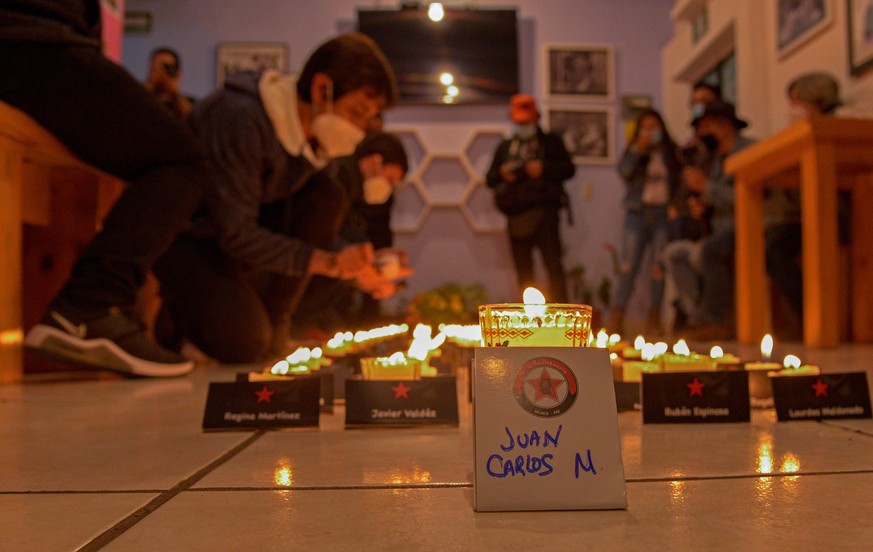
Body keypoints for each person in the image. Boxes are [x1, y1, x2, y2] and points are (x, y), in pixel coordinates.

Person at [152, 33, 404, 363]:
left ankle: (275, 322)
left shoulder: (314, 143)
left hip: (244, 249)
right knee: (244, 342)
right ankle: (179, 320)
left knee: (328, 196)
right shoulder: (241, 118)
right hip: (193, 241)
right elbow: (235, 231)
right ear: (321, 90)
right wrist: (328, 262)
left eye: (367, 118)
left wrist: (356, 264)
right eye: (356, 112)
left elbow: (317, 224)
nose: (359, 129)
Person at [2, 0, 207, 377]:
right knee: (182, 160)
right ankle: (89, 307)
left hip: (34, 36)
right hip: (28, 39)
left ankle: (100, 310)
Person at [292, 131, 411, 336]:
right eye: (390, 179)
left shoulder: (352, 187)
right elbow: (328, 236)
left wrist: (377, 259)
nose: (389, 188)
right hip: (300, 271)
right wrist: (364, 266)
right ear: (376, 161)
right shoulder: (338, 178)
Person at [766, 72, 844, 326]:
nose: (792, 108)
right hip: (807, 217)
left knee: (774, 246)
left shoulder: (840, 124)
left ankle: (812, 319)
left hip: (839, 215)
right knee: (769, 241)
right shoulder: (797, 139)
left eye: (796, 101)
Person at [486, 94, 576, 302]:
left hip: (546, 213)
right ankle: (529, 318)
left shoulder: (551, 143)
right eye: (518, 122)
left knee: (553, 265)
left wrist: (544, 169)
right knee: (523, 271)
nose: (522, 125)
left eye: (526, 122)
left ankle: (561, 316)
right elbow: (489, 179)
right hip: (516, 216)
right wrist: (503, 173)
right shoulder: (505, 147)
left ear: (536, 118)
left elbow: (569, 169)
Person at [682, 100, 756, 341]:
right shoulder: (714, 160)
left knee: (711, 251)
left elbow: (749, 197)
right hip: (722, 228)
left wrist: (706, 187)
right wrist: (702, 204)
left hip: (749, 225)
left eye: (706, 128)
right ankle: (699, 317)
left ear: (724, 126)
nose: (702, 135)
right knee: (682, 253)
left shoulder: (749, 151)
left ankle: (719, 321)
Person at [611, 108, 683, 334]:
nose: (650, 132)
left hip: (663, 215)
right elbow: (624, 172)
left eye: (654, 127)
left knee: (658, 267)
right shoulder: (634, 152)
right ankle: (617, 318)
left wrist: (675, 205)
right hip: (637, 214)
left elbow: (681, 181)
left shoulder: (671, 153)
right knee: (628, 266)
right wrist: (637, 150)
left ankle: (654, 320)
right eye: (646, 127)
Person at [144, 46, 194, 119]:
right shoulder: (142, 97)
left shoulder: (188, 102)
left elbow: (192, 121)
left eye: (166, 67)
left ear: (177, 73)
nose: (160, 72)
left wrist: (175, 93)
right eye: (155, 67)